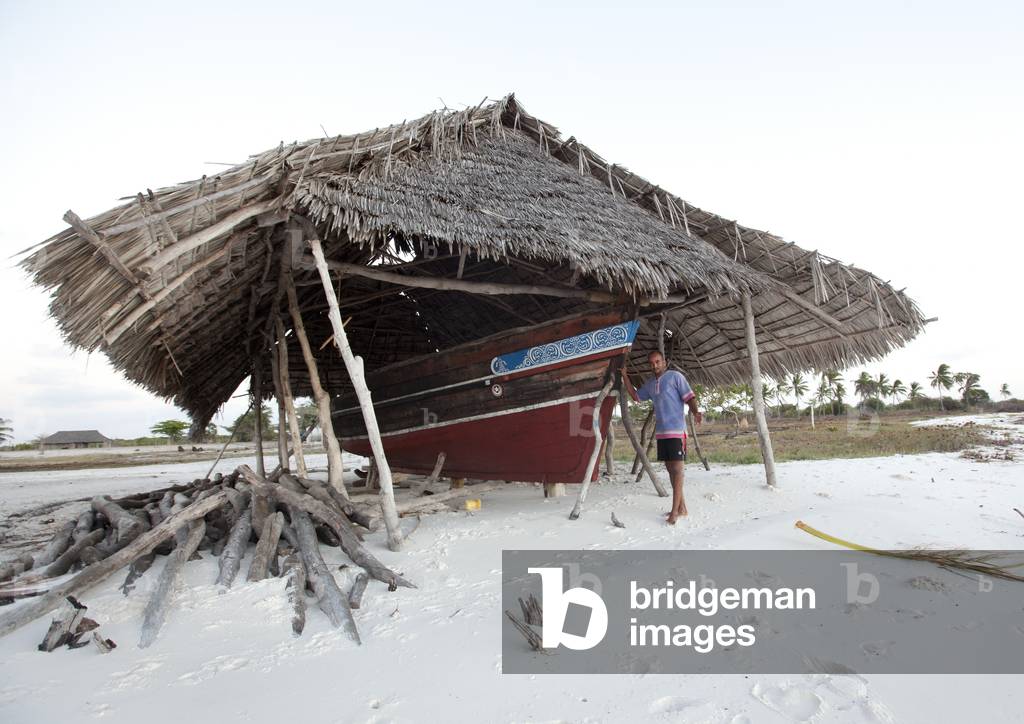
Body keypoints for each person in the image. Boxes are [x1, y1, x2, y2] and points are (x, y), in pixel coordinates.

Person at [621, 351, 702, 524]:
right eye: (651, 363)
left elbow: (690, 396)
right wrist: (625, 376)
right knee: (670, 469)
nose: (655, 365)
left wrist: (695, 412)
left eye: (658, 362)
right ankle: (682, 507)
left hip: (676, 431)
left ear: (664, 362)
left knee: (678, 470)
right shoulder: (650, 384)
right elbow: (636, 397)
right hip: (662, 433)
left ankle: (674, 511)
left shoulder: (675, 377)